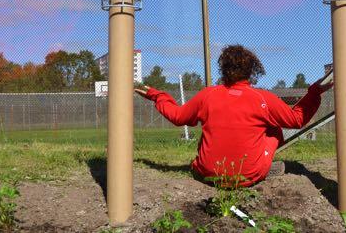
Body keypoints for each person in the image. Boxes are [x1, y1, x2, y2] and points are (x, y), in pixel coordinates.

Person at [135, 45, 332, 186]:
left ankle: (216, 165)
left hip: (208, 174)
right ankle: (260, 167)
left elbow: (178, 116)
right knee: (273, 129)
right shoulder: (262, 98)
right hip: (247, 177)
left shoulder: (208, 95)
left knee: (213, 128)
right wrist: (315, 92)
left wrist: (157, 95)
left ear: (224, 69)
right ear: (252, 70)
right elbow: (296, 119)